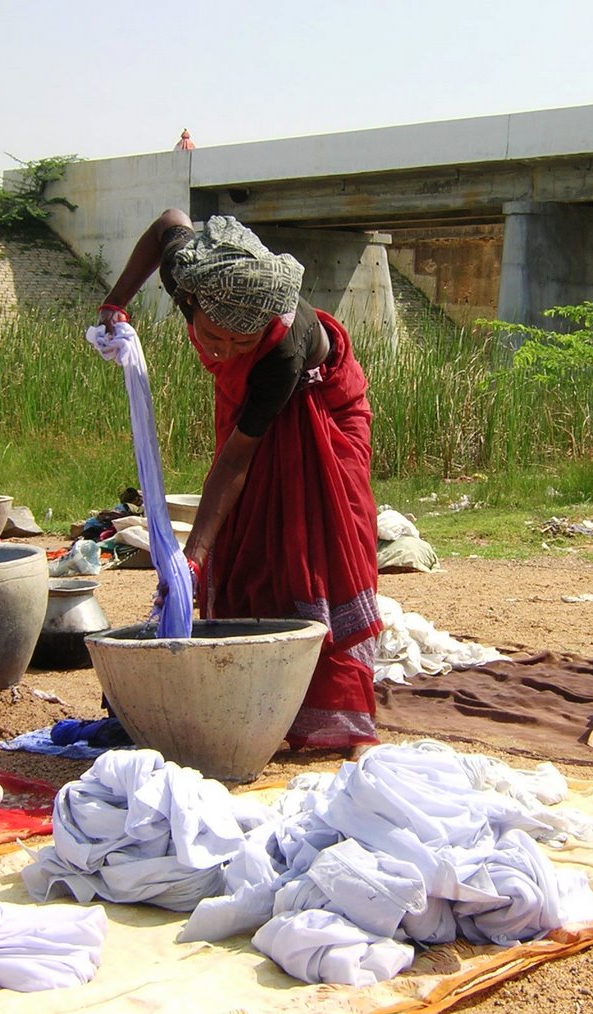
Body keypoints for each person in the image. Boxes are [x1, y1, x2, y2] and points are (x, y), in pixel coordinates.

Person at [98, 210, 382, 759]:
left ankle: (319, 703)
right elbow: (166, 224)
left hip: (318, 409)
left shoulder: (280, 351)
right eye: (212, 336)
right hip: (248, 406)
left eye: (239, 340)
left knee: (307, 548)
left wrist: (193, 556)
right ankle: (250, 698)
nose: (222, 349)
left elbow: (234, 463)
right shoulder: (192, 274)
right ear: (192, 302)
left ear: (262, 328)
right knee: (250, 548)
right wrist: (116, 301)